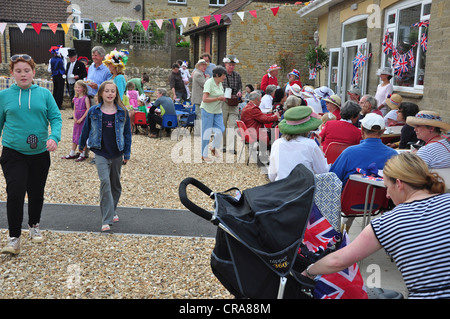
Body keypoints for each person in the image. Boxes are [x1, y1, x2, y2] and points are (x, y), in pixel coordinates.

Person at [302, 152, 450, 299]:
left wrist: (309, 272)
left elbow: (338, 261)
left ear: (399, 184)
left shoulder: (388, 222)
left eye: (387, 187)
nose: (387, 195)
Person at [0, 54, 62, 254]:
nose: (23, 74)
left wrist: (54, 136)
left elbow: (56, 118)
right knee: (15, 192)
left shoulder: (44, 94)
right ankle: (14, 238)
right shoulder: (4, 96)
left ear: (34, 72)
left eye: (27, 70)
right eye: (18, 71)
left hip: (39, 153)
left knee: (36, 192)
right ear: (12, 73)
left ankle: (34, 225)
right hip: (13, 152)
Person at [78, 81, 132, 232]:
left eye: (112, 91)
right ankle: (106, 219)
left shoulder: (123, 112)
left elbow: (127, 134)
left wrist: (127, 153)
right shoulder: (94, 111)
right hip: (100, 152)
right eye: (106, 91)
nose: (109, 94)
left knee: (115, 184)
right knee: (105, 182)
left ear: (116, 94)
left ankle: (112, 209)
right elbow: (86, 129)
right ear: (101, 93)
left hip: (117, 153)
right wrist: (81, 145)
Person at [330, 113, 397, 186]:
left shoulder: (349, 153)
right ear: (383, 131)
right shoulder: (393, 155)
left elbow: (331, 180)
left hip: (349, 197)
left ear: (361, 130)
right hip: (382, 197)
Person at [268, 106, 328, 181]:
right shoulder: (310, 145)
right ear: (307, 128)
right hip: (305, 190)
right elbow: (323, 171)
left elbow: (272, 176)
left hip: (281, 189)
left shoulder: (277, 144)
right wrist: (320, 147)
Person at [200, 66, 227, 162]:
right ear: (217, 75)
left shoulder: (220, 84)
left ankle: (213, 147)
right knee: (206, 132)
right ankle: (204, 154)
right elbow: (204, 99)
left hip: (217, 110)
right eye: (223, 75)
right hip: (207, 110)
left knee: (221, 129)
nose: (224, 77)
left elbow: (220, 95)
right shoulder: (209, 83)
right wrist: (217, 98)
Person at [61, 80, 90, 162]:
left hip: (83, 120)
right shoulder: (75, 98)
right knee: (75, 135)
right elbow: (74, 109)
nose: (77, 89)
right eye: (76, 87)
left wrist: (81, 118)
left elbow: (88, 109)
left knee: (82, 136)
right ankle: (72, 153)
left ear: (83, 88)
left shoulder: (85, 98)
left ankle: (82, 154)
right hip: (76, 120)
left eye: (79, 87)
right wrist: (74, 117)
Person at [222, 55, 242, 154]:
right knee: (223, 125)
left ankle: (232, 147)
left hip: (234, 103)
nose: (231, 67)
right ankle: (224, 145)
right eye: (229, 65)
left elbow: (240, 87)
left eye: (233, 65)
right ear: (225, 65)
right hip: (224, 103)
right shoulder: (221, 75)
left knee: (233, 125)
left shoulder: (237, 75)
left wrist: (239, 92)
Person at [191, 59, 209, 136]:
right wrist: (208, 78)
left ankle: (199, 132)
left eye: (205, 65)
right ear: (198, 66)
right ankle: (199, 133)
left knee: (200, 115)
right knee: (200, 116)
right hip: (199, 99)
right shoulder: (198, 74)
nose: (204, 67)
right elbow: (205, 84)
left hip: (199, 98)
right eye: (202, 65)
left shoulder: (200, 73)